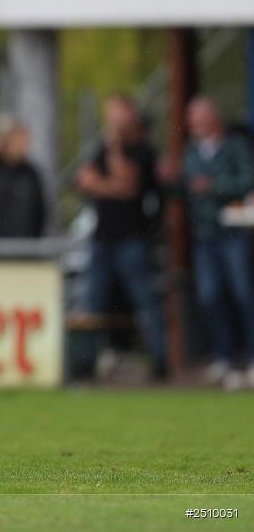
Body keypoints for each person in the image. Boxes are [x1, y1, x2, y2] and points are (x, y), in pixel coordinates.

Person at [75, 94, 168, 381]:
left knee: (144, 301)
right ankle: (86, 365)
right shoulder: (98, 150)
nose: (112, 121)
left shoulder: (141, 150)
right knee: (93, 303)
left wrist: (113, 155)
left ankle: (160, 362)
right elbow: (85, 181)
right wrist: (112, 185)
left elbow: (128, 182)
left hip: (132, 238)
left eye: (117, 114)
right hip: (102, 238)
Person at [176, 97, 254, 388]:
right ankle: (224, 357)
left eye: (197, 117)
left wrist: (213, 186)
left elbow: (246, 180)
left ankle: (250, 356)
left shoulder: (235, 147)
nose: (193, 123)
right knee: (211, 297)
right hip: (204, 235)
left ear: (212, 118)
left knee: (243, 294)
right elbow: (185, 184)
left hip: (232, 231)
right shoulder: (192, 151)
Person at [0, 114, 46, 238]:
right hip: (2, 247)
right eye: (21, 140)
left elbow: (41, 212)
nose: (25, 146)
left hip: (29, 246)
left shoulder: (31, 173)